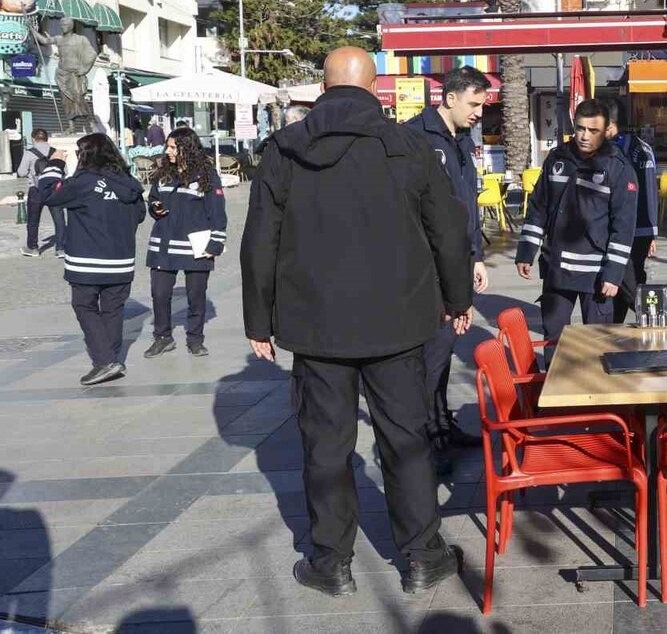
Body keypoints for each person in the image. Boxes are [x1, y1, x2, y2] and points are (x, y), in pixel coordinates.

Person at [241, 46, 473, 598]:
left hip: (316, 327)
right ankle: (421, 555)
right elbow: (447, 227)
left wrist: (258, 321)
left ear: (323, 88)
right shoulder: (410, 146)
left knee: (325, 445)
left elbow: (259, 243)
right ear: (373, 89)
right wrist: (458, 299)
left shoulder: (285, 149)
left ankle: (330, 561)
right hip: (397, 321)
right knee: (405, 440)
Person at [403, 65, 489, 476]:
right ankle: (423, 446)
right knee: (430, 360)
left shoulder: (459, 140)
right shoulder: (415, 137)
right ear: (450, 98)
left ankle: (441, 425)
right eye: (473, 104)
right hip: (428, 270)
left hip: (456, 261)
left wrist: (474, 256)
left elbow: (465, 207)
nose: (478, 113)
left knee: (444, 354)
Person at [516, 99, 638, 343]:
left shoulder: (618, 167)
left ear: (606, 131)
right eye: (580, 128)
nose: (584, 136)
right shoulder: (557, 159)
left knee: (598, 344)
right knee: (554, 340)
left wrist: (614, 274)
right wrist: (526, 251)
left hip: (597, 274)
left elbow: (624, 226)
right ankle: (554, 381)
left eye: (593, 131)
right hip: (557, 268)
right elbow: (538, 208)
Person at [44, 133, 146, 386]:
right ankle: (110, 359)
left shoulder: (84, 182)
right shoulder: (129, 183)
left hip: (88, 260)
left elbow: (47, 193)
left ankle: (104, 361)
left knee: (84, 306)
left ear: (87, 155)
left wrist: (55, 164)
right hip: (121, 260)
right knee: (113, 310)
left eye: (80, 153)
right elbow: (140, 215)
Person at [143, 127, 228, 359]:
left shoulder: (207, 175)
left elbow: (217, 213)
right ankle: (162, 337)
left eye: (172, 147)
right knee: (159, 294)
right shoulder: (163, 174)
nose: (168, 151)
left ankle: (195, 339)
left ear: (186, 148)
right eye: (167, 146)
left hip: (196, 247)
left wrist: (215, 244)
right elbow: (153, 199)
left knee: (196, 297)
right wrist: (155, 208)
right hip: (163, 246)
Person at [602, 99, 659, 323]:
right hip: (644, 229)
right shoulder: (644, 148)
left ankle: (653, 318)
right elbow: (651, 192)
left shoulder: (614, 151)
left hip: (623, 230)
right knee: (630, 278)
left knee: (627, 283)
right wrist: (652, 230)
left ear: (610, 124)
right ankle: (616, 326)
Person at [17, 129, 65, 257]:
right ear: (47, 138)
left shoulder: (29, 153)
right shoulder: (56, 152)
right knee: (59, 219)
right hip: (54, 190)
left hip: (36, 189)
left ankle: (33, 248)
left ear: (33, 139)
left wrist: (33, 174)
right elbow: (64, 170)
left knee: (33, 220)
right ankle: (60, 248)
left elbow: (21, 172)